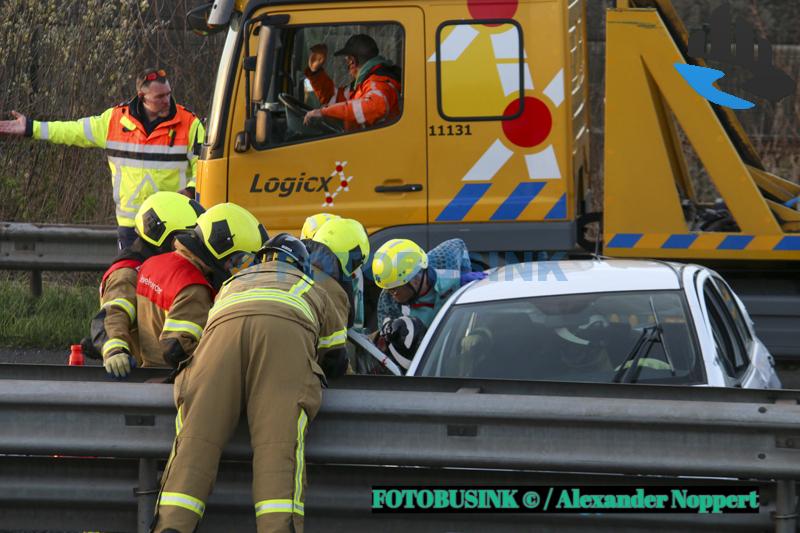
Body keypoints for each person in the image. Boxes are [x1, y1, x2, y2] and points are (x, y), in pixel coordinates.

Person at [150, 234, 350, 532]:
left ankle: (173, 525)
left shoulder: (232, 284)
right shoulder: (310, 286)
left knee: (196, 441)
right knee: (277, 447)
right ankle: (277, 527)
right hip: (281, 345)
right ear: (301, 264)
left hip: (220, 345)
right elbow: (335, 357)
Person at [0, 68, 205, 248]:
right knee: (127, 285)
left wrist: (190, 190)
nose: (167, 101)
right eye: (159, 97)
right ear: (142, 97)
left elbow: (205, 168)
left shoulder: (190, 124)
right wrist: (30, 128)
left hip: (173, 226)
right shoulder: (115, 120)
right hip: (130, 228)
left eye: (168, 94)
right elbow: (73, 130)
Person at [85, 191, 205, 378]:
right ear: (162, 235)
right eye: (185, 238)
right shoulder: (127, 273)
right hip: (138, 372)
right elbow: (112, 314)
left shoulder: (159, 267)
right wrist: (115, 350)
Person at [136, 202, 267, 371]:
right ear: (219, 246)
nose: (232, 268)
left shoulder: (153, 263)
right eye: (236, 260)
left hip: (142, 373)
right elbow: (175, 349)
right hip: (169, 381)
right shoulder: (194, 288)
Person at [373, 238, 486, 328]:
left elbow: (459, 244)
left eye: (395, 289)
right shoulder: (387, 300)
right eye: (388, 289)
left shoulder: (444, 259)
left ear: (415, 279)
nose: (392, 294)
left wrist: (463, 285)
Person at [303, 34, 401, 131]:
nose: (348, 66)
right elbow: (334, 99)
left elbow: (375, 106)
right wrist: (315, 72)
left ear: (352, 61)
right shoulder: (362, 85)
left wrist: (323, 113)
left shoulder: (379, 82)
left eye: (347, 60)